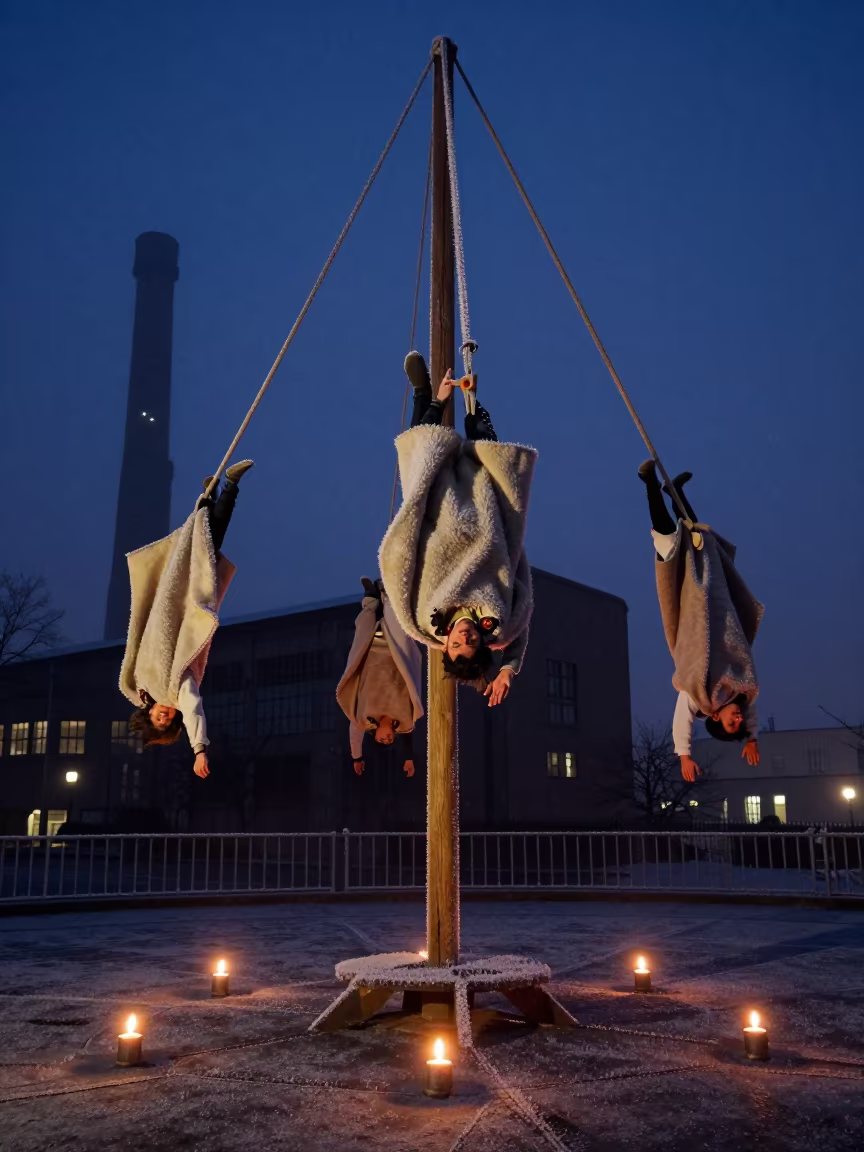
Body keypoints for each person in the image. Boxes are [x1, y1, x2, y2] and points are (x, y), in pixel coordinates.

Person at [379, 352, 537, 705]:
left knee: (421, 459)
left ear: (446, 645)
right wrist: (509, 668)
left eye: (455, 644)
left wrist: (409, 529)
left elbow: (404, 570)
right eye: (470, 642)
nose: (464, 636)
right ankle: (470, 402)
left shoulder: (423, 623)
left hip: (439, 520)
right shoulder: (499, 623)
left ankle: (428, 397)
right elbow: (520, 626)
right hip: (483, 519)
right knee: (493, 461)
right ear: (483, 643)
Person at [123, 460, 253, 777]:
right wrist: (199, 748)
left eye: (159, 719)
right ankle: (220, 492)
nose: (166, 715)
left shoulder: (141, 685)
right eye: (169, 721)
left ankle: (216, 495)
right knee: (204, 545)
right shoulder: (176, 692)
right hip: (187, 604)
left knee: (200, 543)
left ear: (149, 714)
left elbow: (137, 637)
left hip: (168, 600)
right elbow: (193, 707)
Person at [638, 459, 762, 782]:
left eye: (731, 725)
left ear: (715, 719)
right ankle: (675, 491)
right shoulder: (744, 692)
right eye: (739, 723)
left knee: (668, 543)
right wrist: (751, 738)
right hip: (714, 604)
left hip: (690, 612)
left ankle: (649, 481)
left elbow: (682, 717)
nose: (738, 720)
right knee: (700, 546)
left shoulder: (703, 698)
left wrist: (685, 756)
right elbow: (752, 716)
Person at [336, 577, 423, 778]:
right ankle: (387, 591)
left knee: (366, 623)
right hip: (395, 654)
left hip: (372, 653)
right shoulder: (404, 720)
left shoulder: (363, 719)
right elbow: (408, 736)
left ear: (374, 733)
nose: (388, 739)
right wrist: (408, 758)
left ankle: (371, 598)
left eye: (382, 740)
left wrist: (357, 757)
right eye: (390, 741)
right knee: (394, 620)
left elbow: (355, 736)